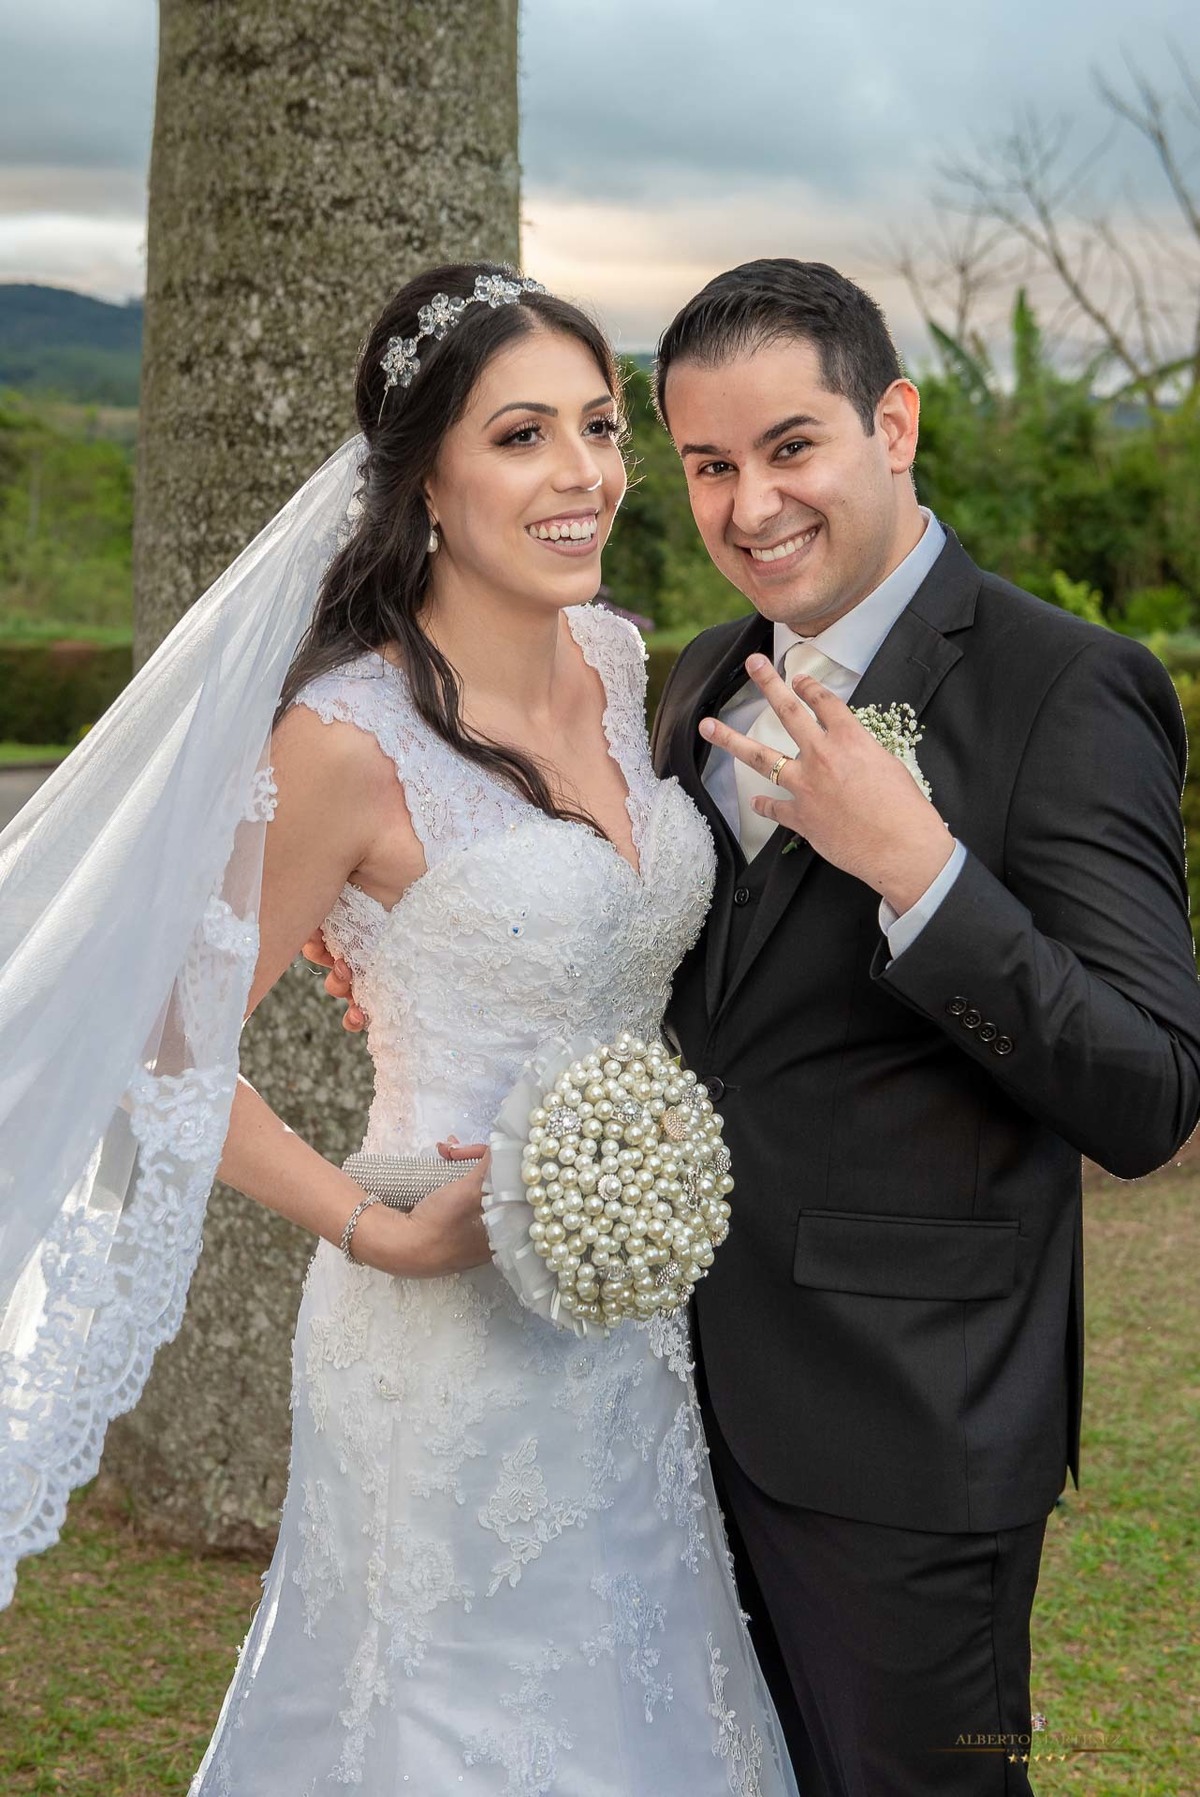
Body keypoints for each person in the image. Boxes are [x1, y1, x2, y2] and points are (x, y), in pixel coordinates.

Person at [311, 255, 1200, 1795]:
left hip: (904, 1434)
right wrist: (416, 946)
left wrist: (919, 869)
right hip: (644, 1404)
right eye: (710, 465)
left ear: (895, 423)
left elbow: (1149, 1089)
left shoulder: (1069, 688)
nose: (750, 506)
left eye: (793, 448)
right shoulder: (701, 671)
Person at [0, 264, 804, 1794]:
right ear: (425, 473)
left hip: (631, 1326)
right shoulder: (343, 741)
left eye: (597, 425)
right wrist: (374, 1233)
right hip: (440, 1342)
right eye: (521, 436)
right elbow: (158, 1045)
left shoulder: (621, 660)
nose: (583, 475)